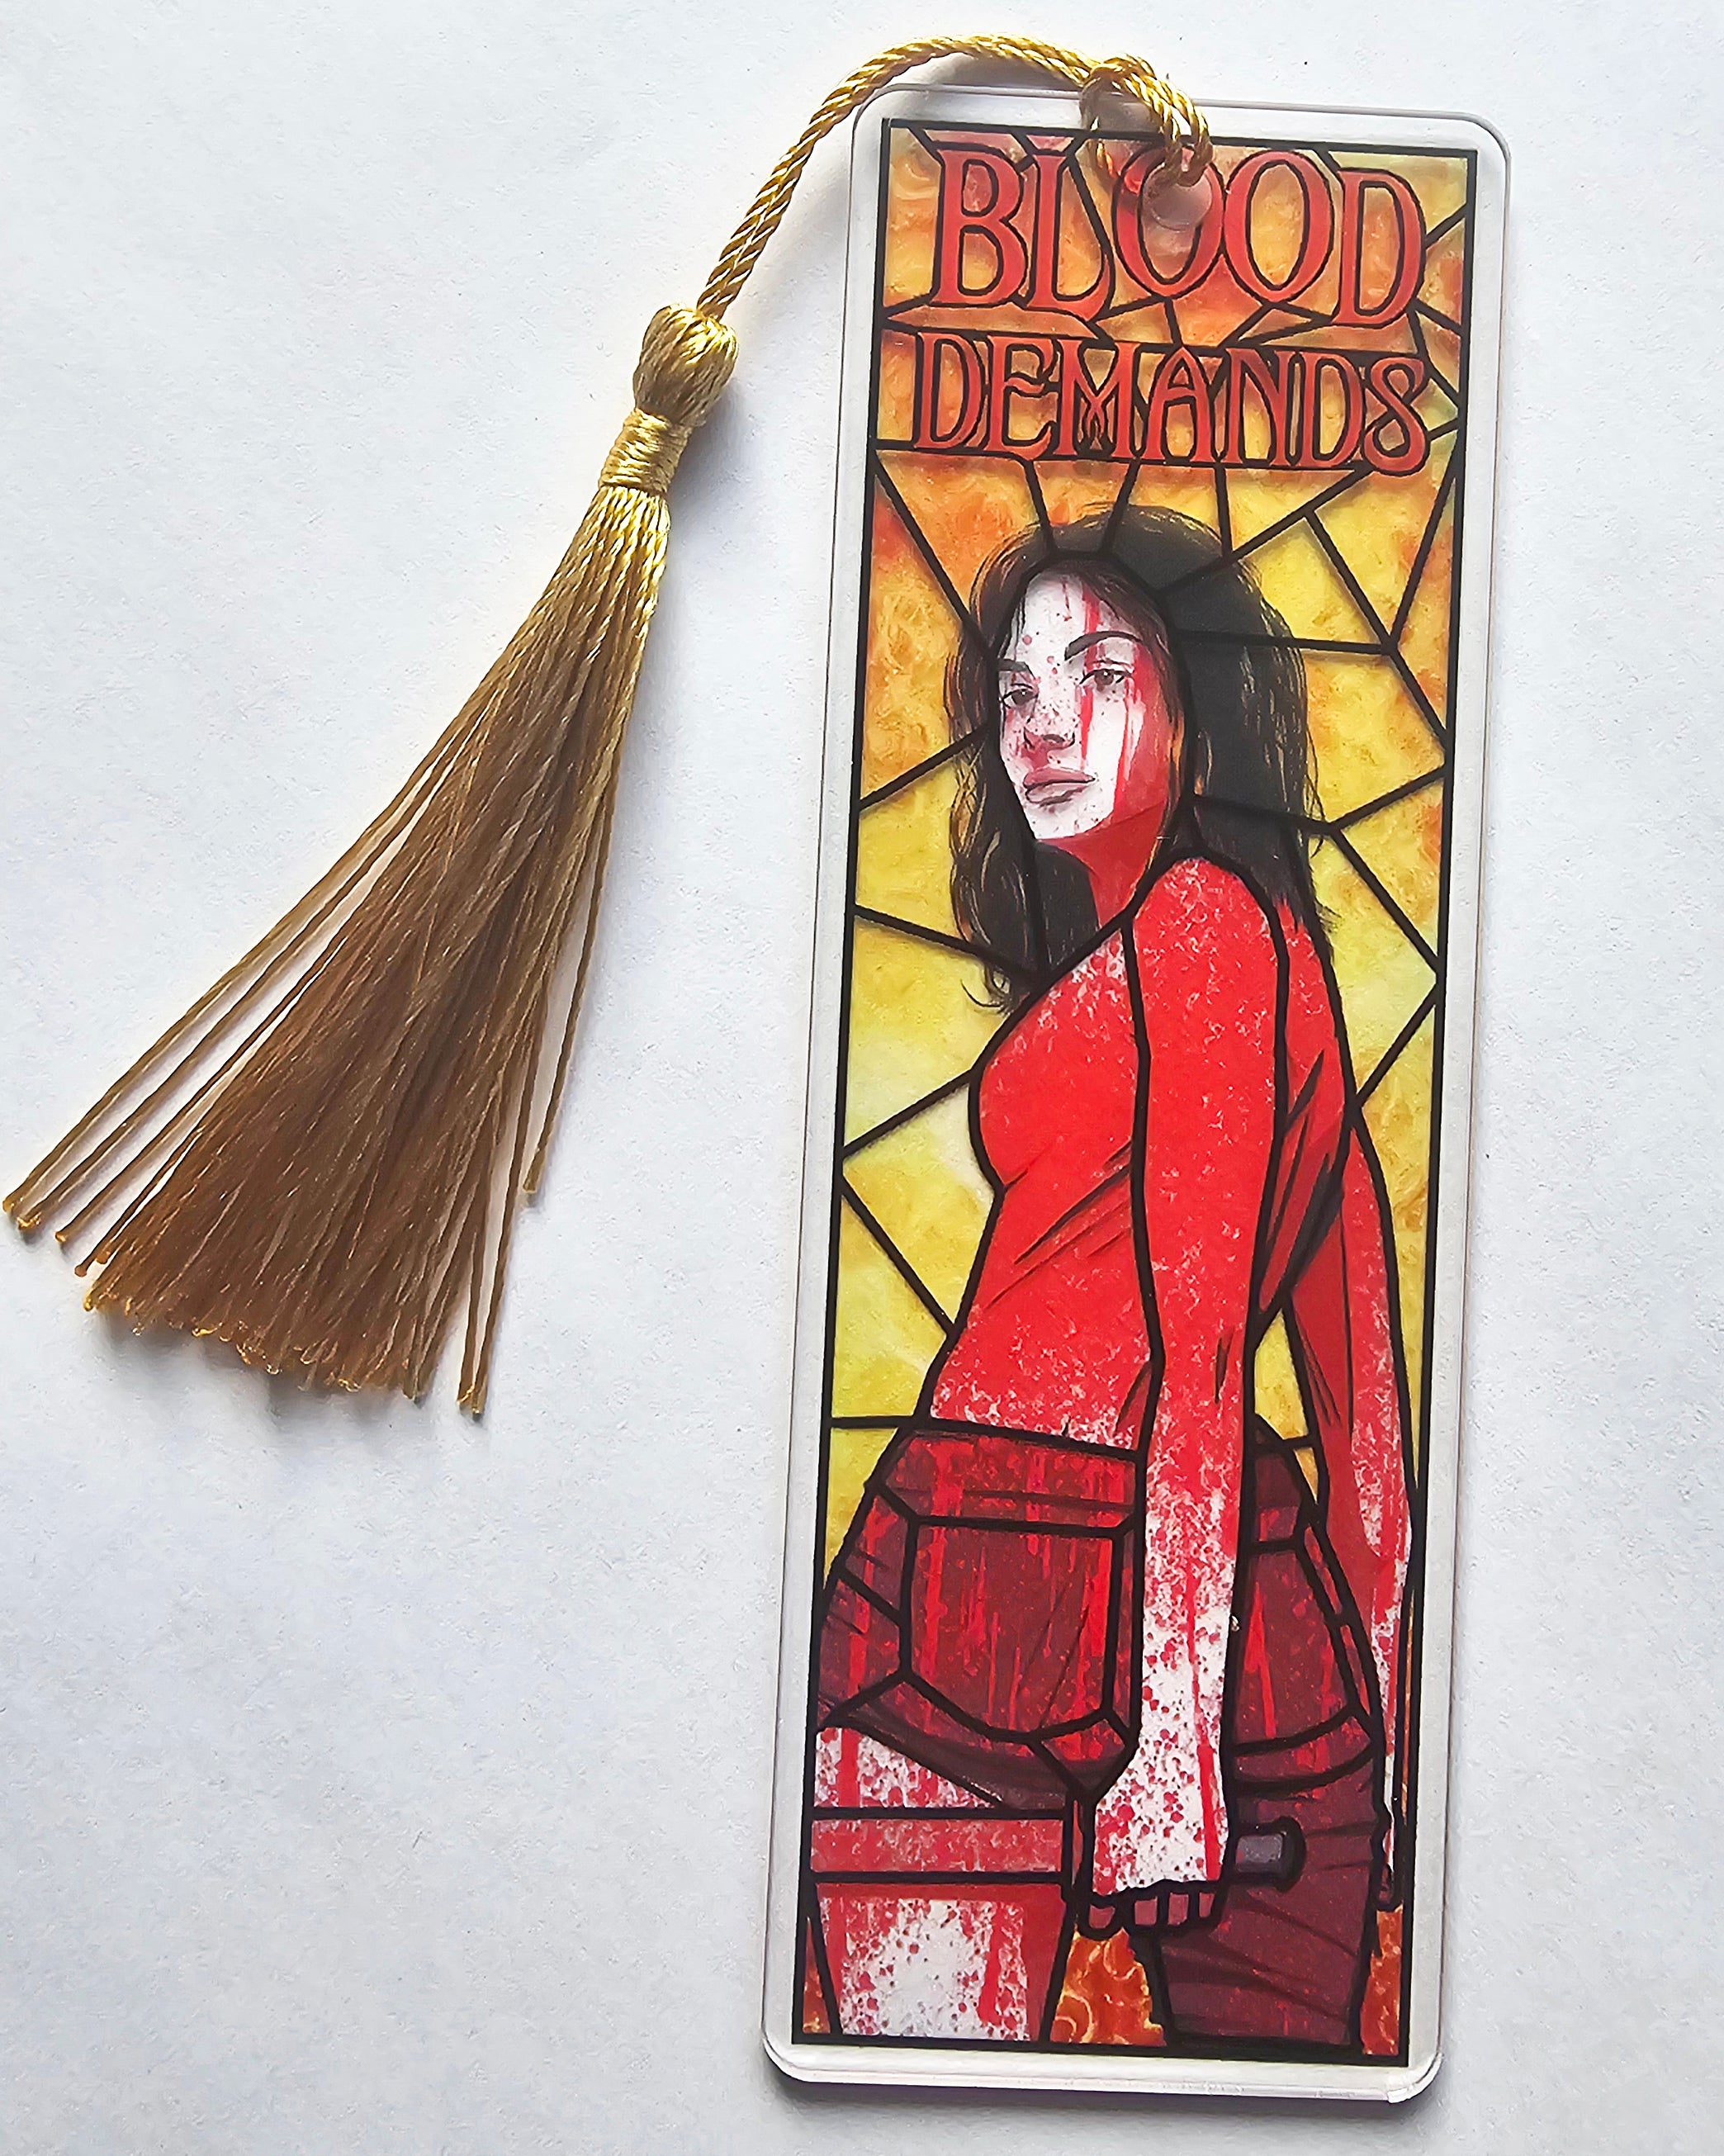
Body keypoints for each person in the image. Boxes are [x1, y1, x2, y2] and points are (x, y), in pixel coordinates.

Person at [809, 504, 1415, 2049]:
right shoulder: (1276, 967)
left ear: (1197, 704)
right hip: (1240, 1619)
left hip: (999, 1588)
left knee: (922, 2080)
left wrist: (1177, 1740)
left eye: (1098, 674)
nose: (1042, 725)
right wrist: (1392, 1711)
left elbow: (1202, 1352)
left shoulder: (1204, 927)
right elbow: (1360, 1408)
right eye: (1016, 689)